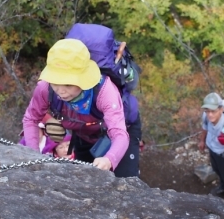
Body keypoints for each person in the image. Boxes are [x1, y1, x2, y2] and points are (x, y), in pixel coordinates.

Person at [21, 38, 141, 178]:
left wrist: (109, 159)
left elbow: (120, 134)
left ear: (83, 79)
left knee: (124, 180)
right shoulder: (45, 88)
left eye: (68, 84)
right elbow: (31, 119)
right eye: (55, 82)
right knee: (84, 182)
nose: (60, 91)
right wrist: (33, 154)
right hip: (83, 133)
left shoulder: (105, 92)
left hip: (120, 131)